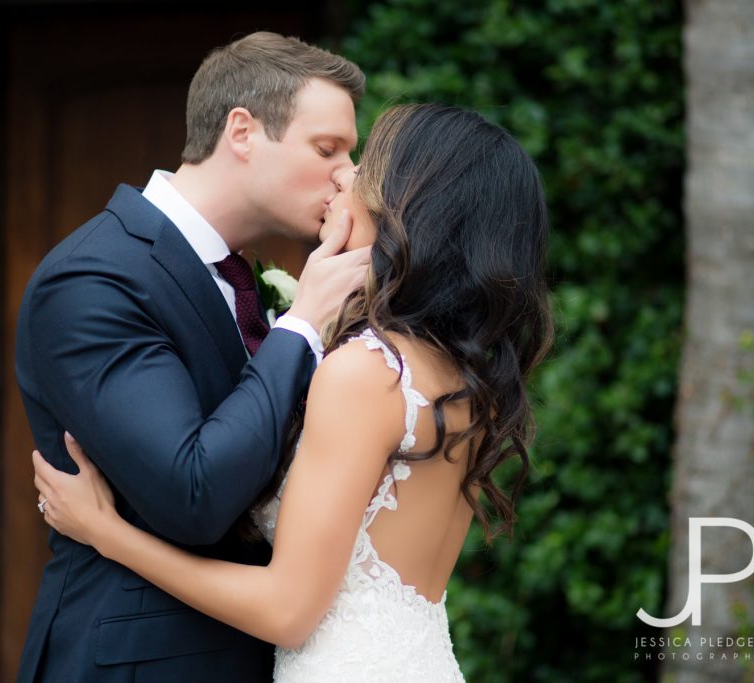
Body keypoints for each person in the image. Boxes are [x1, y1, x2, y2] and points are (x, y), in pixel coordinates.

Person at [33, 103, 554, 682]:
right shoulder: (462, 376)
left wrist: (108, 533)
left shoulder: (365, 372)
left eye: (366, 167)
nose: (344, 176)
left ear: (409, 205)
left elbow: (287, 611)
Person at [14, 32, 370, 683]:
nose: (348, 175)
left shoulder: (251, 282)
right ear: (241, 131)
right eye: (328, 149)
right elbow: (193, 492)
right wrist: (304, 322)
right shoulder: (94, 277)